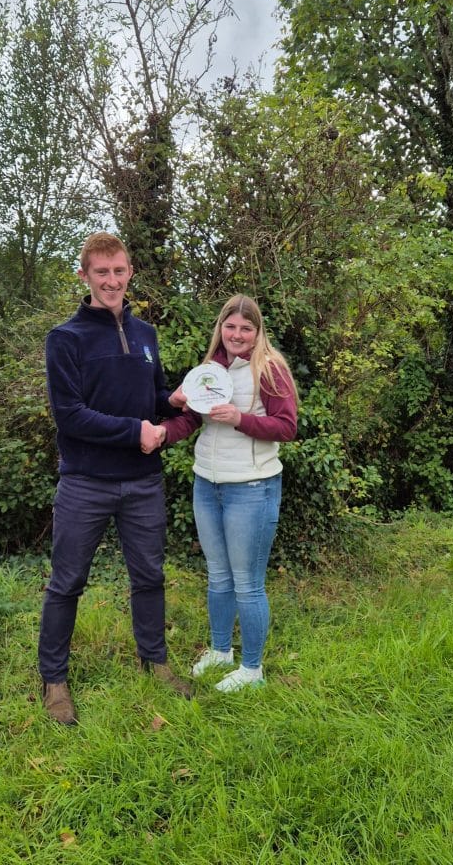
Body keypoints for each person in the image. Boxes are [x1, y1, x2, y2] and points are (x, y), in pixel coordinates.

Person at [38, 231, 190, 725]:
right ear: (83, 275)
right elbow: (70, 416)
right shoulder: (65, 338)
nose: (111, 280)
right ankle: (54, 680)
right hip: (87, 482)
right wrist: (136, 432)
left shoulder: (146, 334)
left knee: (149, 576)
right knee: (67, 582)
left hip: (143, 481)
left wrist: (175, 402)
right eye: (101, 272)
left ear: (129, 273)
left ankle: (155, 661)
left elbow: (154, 396)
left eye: (119, 270)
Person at [162, 294, 298, 691]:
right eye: (231, 326)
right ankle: (221, 652)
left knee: (247, 583)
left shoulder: (269, 370)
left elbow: (287, 427)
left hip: (252, 489)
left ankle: (252, 670)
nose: (237, 335)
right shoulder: (208, 371)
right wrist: (163, 426)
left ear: (258, 333)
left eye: (246, 328)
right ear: (220, 328)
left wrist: (240, 418)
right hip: (207, 484)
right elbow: (188, 421)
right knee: (218, 577)